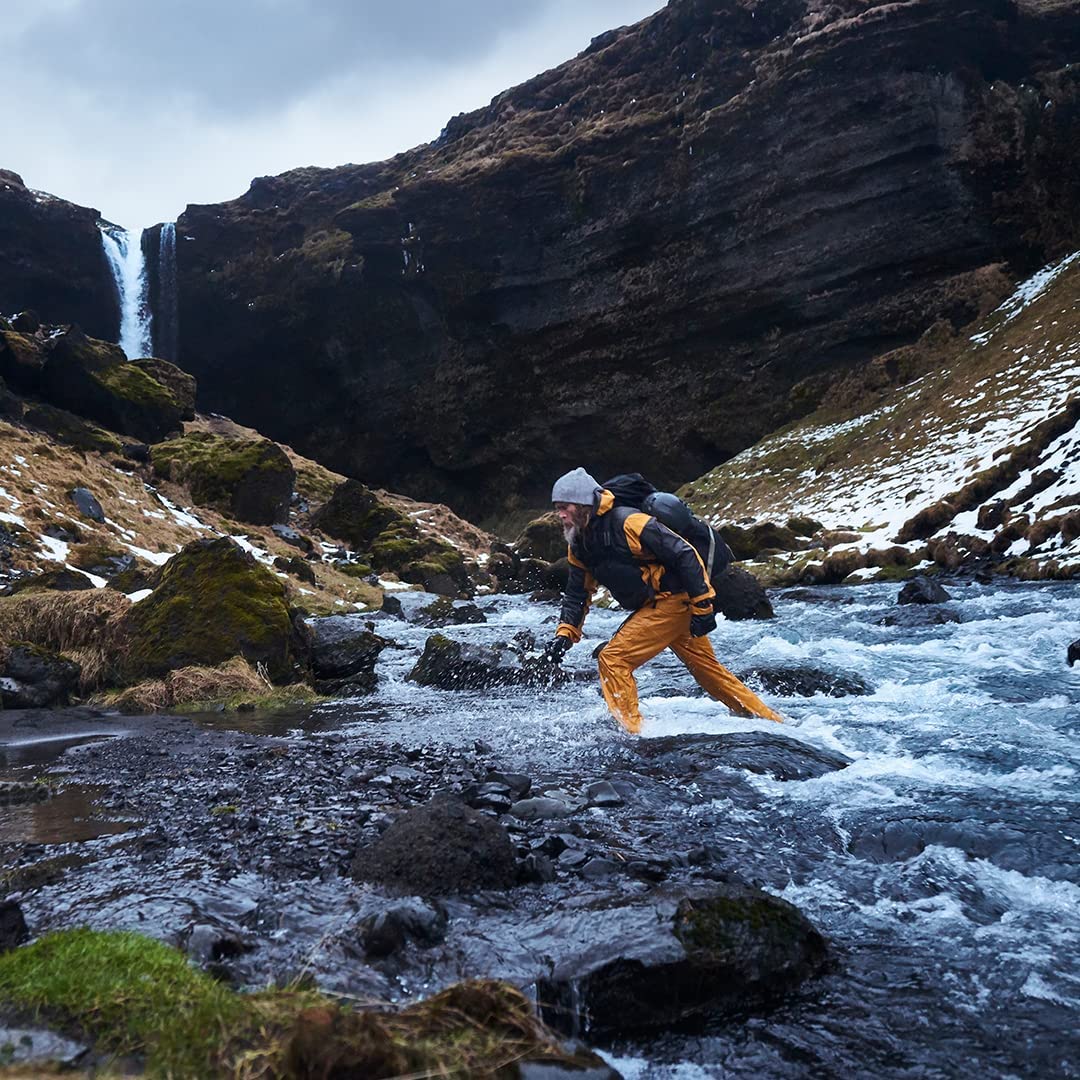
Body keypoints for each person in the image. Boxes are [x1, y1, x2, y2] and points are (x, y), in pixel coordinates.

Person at [545, 467, 783, 734]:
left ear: (582, 504)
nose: (560, 515)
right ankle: (770, 723)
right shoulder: (578, 542)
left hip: (674, 602)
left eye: (564, 507)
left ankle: (632, 733)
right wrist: (565, 634)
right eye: (557, 508)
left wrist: (703, 606)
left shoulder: (630, 522)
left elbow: (685, 554)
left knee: (613, 660)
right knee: (708, 672)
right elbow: (578, 591)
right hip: (659, 606)